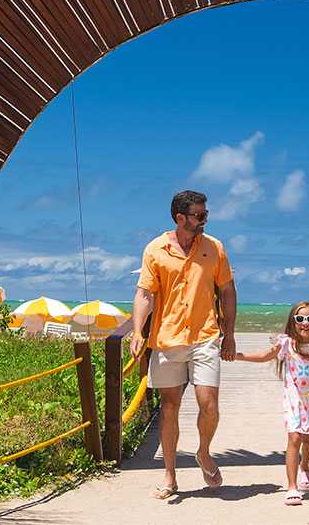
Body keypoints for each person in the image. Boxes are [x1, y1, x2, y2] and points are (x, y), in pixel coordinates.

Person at [130, 190, 237, 499]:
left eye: (205, 214)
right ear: (180, 218)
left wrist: (228, 333)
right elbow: (145, 294)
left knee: (209, 404)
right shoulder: (155, 249)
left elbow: (227, 291)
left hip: (205, 336)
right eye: (199, 215)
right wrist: (137, 331)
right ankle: (170, 476)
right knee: (169, 408)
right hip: (167, 339)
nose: (205, 220)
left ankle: (203, 452)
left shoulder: (214, 247)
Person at [235, 301, 309, 507]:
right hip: (295, 400)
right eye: (300, 319)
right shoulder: (287, 344)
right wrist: (237, 356)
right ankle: (292, 487)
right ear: (293, 322)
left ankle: (304, 466)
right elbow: (264, 356)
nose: (304, 323)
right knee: (294, 438)